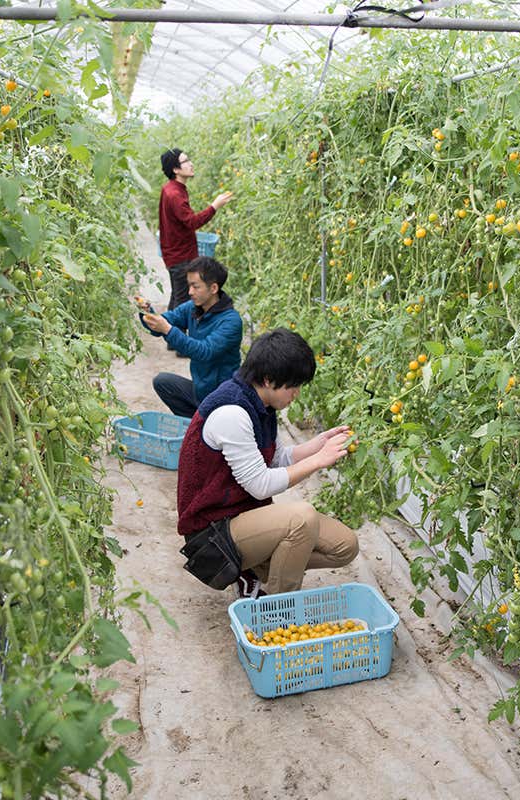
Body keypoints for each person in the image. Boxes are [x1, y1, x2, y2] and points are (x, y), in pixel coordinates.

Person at [176, 328, 359, 598]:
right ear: (268, 380)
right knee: (302, 518)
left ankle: (254, 571)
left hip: (243, 517)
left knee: (345, 545)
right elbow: (260, 485)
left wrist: (316, 445)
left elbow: (276, 459)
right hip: (213, 532)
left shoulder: (263, 406)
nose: (296, 394)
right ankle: (276, 610)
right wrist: (319, 461)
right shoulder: (232, 413)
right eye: (292, 386)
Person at [139, 257, 242, 419]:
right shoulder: (193, 308)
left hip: (224, 399)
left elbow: (204, 351)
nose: (190, 292)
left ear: (213, 288)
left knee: (213, 423)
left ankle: (205, 425)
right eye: (189, 286)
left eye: (195, 287)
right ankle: (197, 425)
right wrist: (148, 313)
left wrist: (167, 329)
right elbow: (165, 321)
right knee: (163, 382)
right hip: (200, 392)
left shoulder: (231, 321)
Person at [158, 148, 233, 311]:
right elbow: (192, 222)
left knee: (178, 297)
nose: (191, 164)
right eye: (185, 161)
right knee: (183, 302)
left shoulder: (171, 188)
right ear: (176, 169)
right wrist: (214, 206)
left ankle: (167, 331)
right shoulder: (175, 194)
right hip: (180, 257)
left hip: (175, 253)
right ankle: (173, 333)